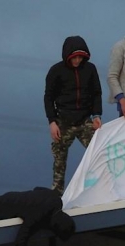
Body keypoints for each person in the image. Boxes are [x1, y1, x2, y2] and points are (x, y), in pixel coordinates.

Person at [44, 35, 103, 195]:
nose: (77, 60)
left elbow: (96, 92)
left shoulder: (90, 69)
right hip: (63, 121)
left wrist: (97, 115)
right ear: (67, 56)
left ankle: (100, 186)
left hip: (85, 120)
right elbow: (48, 97)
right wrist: (52, 122)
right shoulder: (56, 71)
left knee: (99, 151)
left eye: (80, 57)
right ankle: (56, 193)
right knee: (59, 159)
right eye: (74, 57)